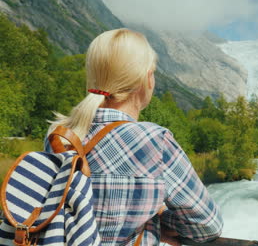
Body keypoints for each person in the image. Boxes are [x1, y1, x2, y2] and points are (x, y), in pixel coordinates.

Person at [45, 29, 223, 245]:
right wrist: (159, 220)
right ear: (147, 79)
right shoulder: (154, 140)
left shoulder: (58, 137)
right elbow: (207, 225)